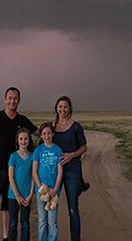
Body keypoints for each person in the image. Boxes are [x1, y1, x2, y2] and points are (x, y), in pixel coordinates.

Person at [0, 87, 38, 241]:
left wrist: (56, 129)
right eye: (10, 98)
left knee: (7, 207)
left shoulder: (22, 120)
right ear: (5, 99)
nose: (12, 101)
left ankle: (6, 238)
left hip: (14, 172)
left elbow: (40, 132)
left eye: (15, 98)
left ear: (19, 100)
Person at [52, 96, 88, 241]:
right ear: (56, 108)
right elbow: (43, 144)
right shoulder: (51, 127)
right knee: (51, 207)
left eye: (65, 107)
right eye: (60, 106)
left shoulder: (76, 127)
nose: (63, 110)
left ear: (70, 109)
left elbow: (84, 147)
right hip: (54, 172)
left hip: (72, 171)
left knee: (73, 209)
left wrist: (72, 155)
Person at [32, 122, 63, 241]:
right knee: (42, 221)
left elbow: (60, 171)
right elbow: (34, 171)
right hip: (41, 191)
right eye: (44, 134)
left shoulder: (58, 150)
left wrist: (55, 189)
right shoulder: (38, 150)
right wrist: (41, 188)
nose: (47, 136)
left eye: (49, 133)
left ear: (53, 134)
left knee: (52, 222)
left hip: (54, 192)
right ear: (41, 135)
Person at [8, 127, 36, 241]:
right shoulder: (13, 156)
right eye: (21, 139)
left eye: (26, 139)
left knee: (25, 222)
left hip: (27, 196)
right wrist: (17, 196)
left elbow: (33, 176)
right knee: (13, 222)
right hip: (13, 195)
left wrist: (30, 194)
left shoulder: (32, 156)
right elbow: (11, 177)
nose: (23, 141)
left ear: (29, 140)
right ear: (17, 140)